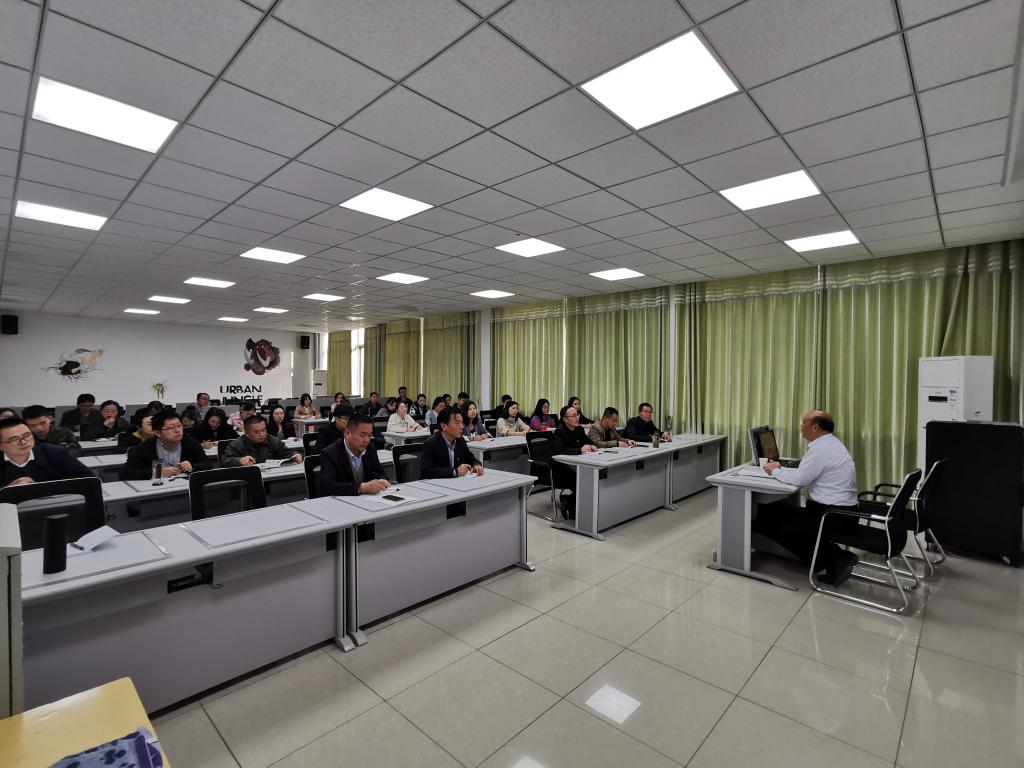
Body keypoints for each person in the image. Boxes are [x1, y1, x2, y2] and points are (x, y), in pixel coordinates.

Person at [753, 410, 861, 586]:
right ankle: (820, 558)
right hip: (841, 512)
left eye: (803, 422)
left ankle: (836, 558)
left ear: (815, 427)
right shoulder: (830, 444)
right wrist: (779, 468)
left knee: (775, 524)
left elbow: (800, 479)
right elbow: (805, 473)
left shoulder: (821, 449)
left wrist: (775, 471)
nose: (800, 426)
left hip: (833, 516)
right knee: (773, 510)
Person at [0, 417, 92, 487]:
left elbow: (89, 479)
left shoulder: (55, 453)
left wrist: (38, 487)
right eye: (14, 440)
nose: (23, 442)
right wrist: (7, 491)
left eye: (27, 435)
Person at [121, 411, 213, 480]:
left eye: (179, 426)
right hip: (155, 491)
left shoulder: (190, 442)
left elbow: (207, 464)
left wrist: (193, 467)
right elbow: (125, 473)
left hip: (183, 487)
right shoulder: (145, 447)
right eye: (171, 428)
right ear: (158, 433)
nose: (177, 430)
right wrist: (158, 472)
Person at [318, 413, 389, 496]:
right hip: (341, 501)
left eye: (370, 435)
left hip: (367, 500)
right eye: (362, 435)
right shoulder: (330, 453)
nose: (366, 440)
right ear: (347, 433)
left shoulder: (370, 448)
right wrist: (361, 488)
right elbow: (327, 487)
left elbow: (381, 472)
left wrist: (382, 480)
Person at [551, 406, 597, 518]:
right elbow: (559, 450)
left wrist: (592, 445)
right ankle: (572, 507)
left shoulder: (579, 429)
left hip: (576, 466)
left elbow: (588, 441)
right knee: (583, 482)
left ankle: (569, 500)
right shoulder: (559, 432)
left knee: (591, 479)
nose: (577, 418)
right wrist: (580, 450)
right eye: (574, 416)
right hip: (562, 469)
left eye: (577, 415)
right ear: (565, 419)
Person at [420, 407, 484, 479]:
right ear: (444, 426)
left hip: (457, 482)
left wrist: (476, 465)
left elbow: (471, 459)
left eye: (461, 422)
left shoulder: (460, 441)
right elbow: (426, 471)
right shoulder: (431, 444)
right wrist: (454, 471)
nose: (462, 426)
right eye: (457, 423)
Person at [221, 415, 302, 467]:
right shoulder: (237, 444)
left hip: (270, 476)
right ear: (246, 433)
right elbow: (224, 461)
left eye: (264, 430)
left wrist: (295, 455)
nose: (262, 434)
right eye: (257, 432)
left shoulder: (272, 440)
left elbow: (287, 453)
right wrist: (239, 460)